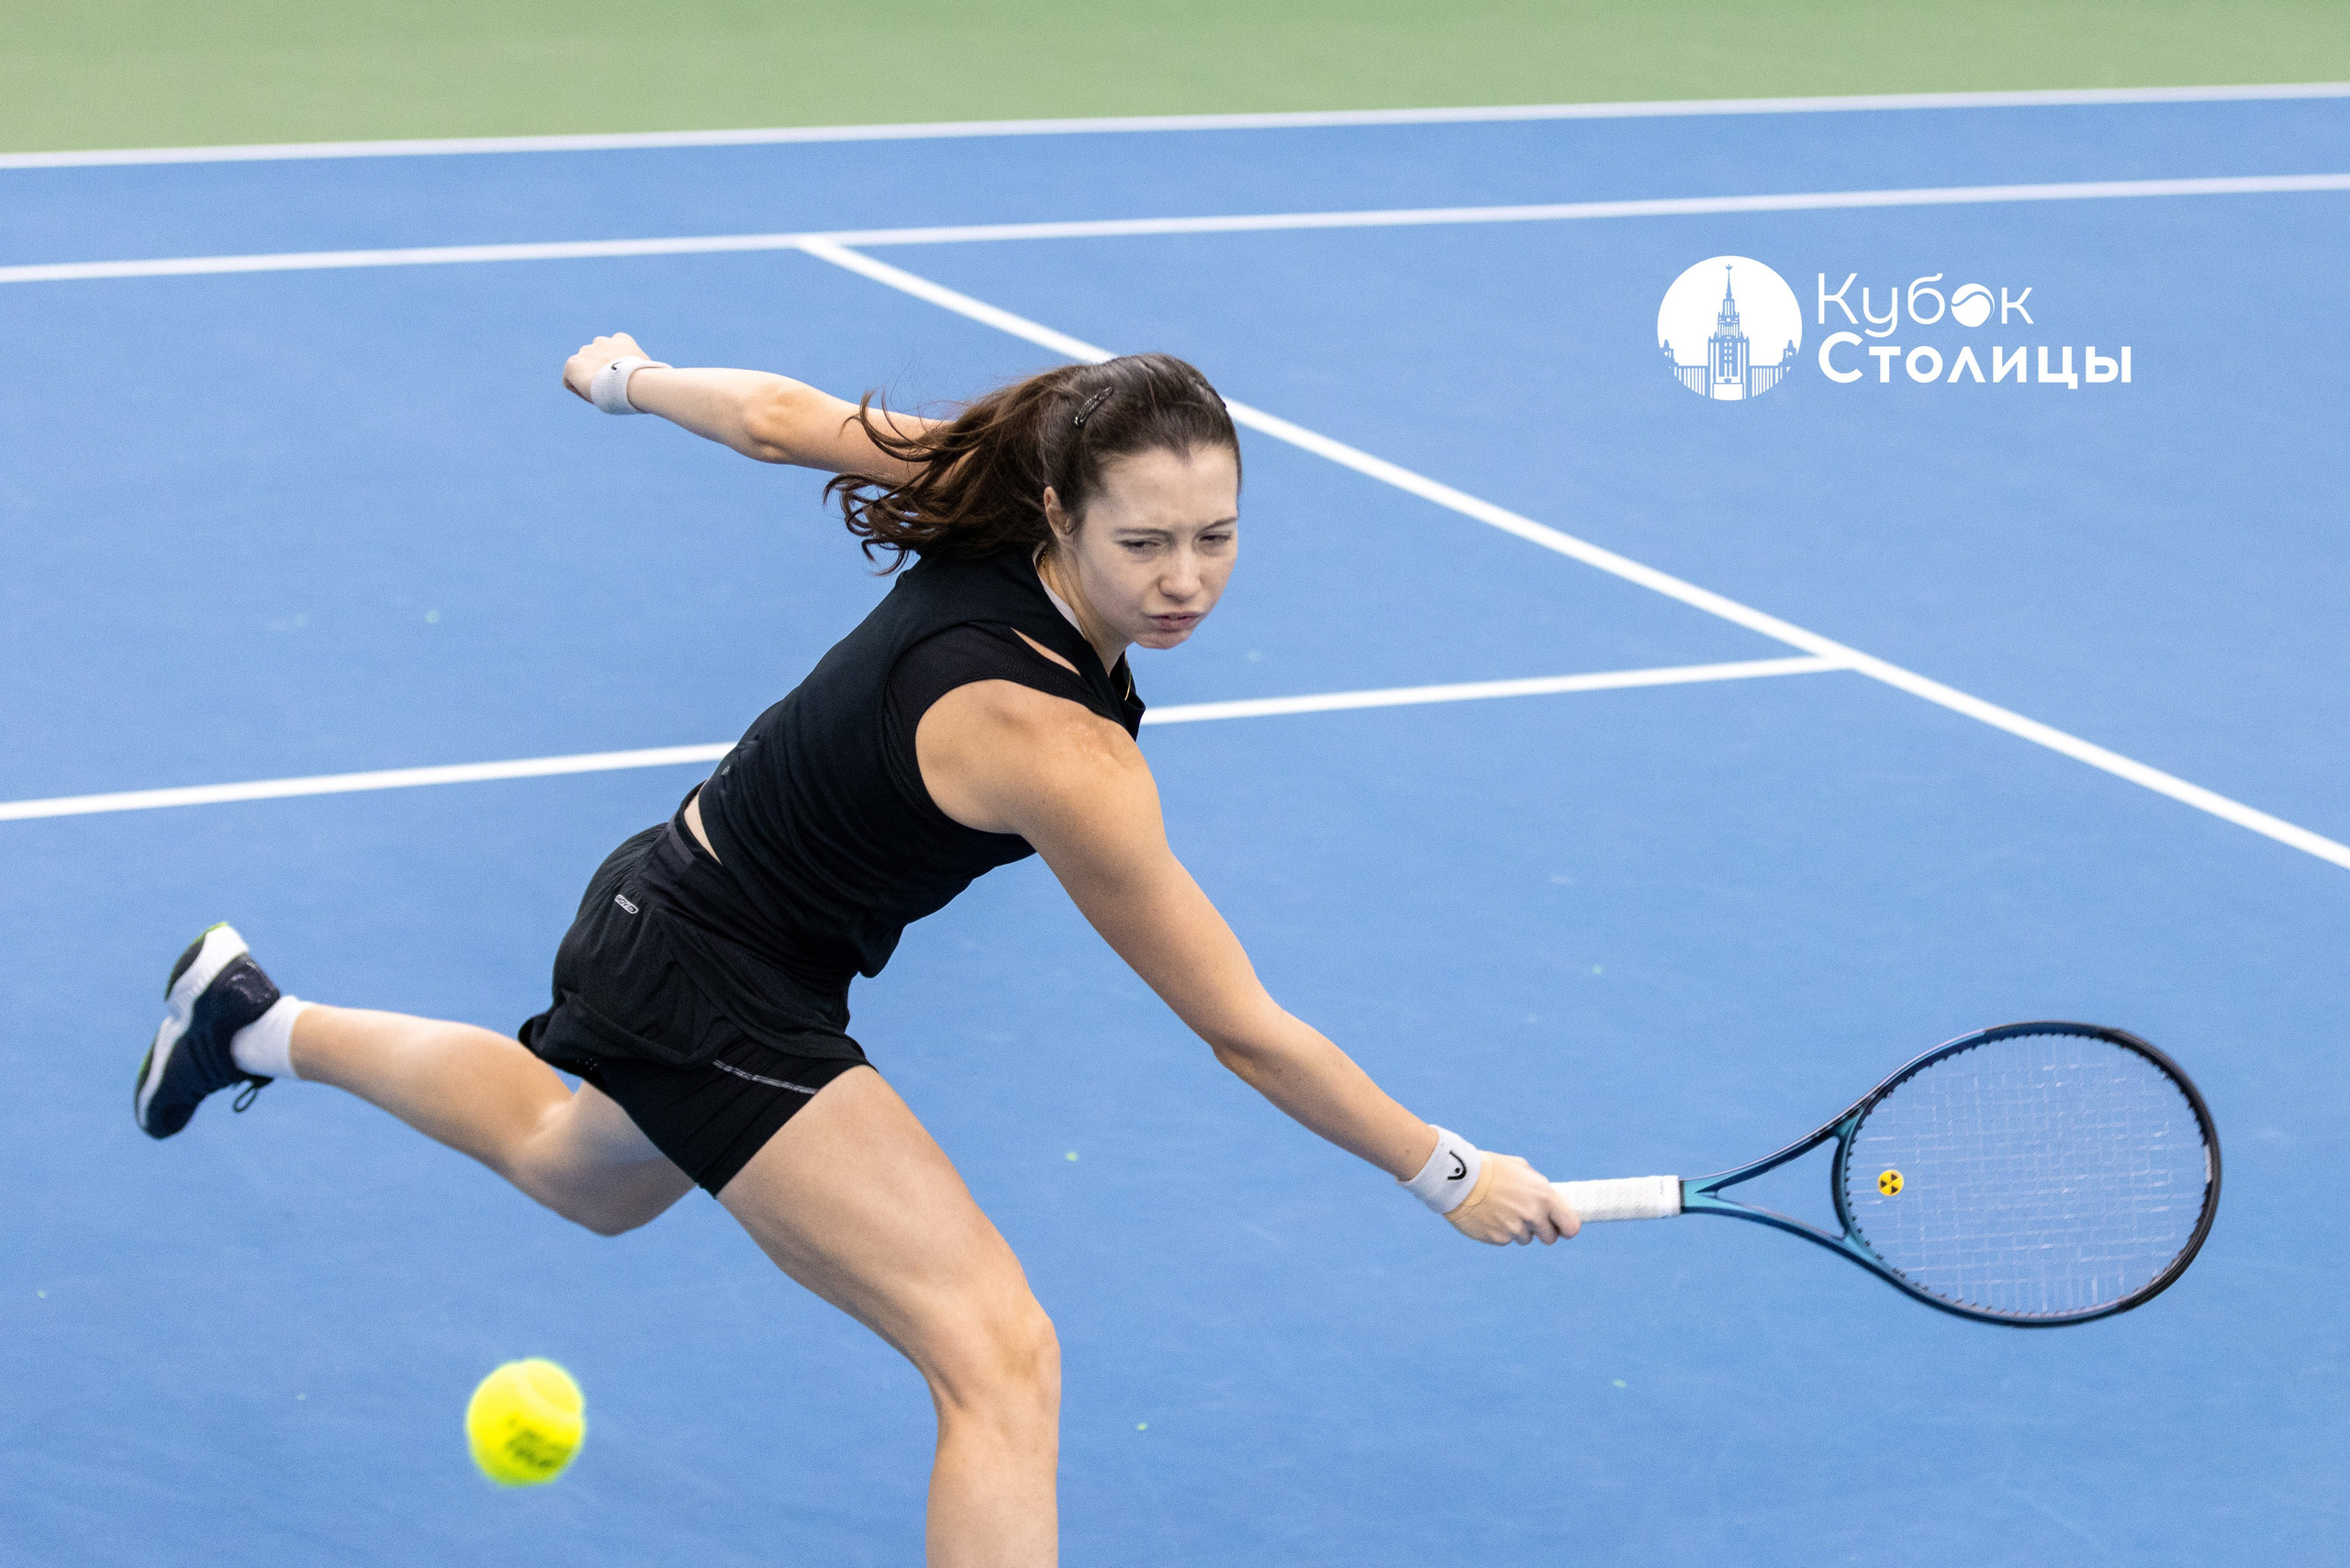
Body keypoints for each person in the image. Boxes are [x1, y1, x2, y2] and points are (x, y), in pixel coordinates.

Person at [132, 336, 1583, 1566]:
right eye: (1143, 542)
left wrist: (634, 379)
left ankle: (253, 1019)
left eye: (1217, 536)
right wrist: (1446, 1170)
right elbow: (1242, 1027)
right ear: (1064, 514)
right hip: (713, 985)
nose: (1184, 580)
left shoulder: (986, 484)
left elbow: (773, 420)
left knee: (575, 1170)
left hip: (669, 907)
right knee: (999, 1353)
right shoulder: (1060, 751)